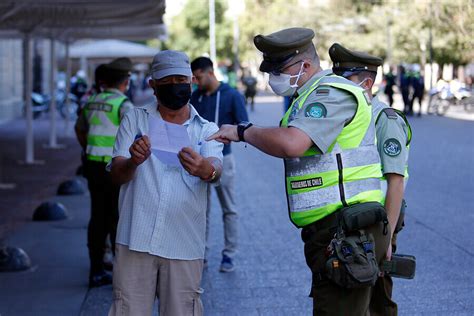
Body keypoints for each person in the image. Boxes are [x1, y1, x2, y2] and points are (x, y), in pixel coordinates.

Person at [208, 27, 390, 315]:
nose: (272, 79)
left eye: (278, 70)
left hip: (349, 230)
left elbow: (293, 143)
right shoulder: (306, 98)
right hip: (333, 230)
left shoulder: (332, 94)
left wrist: (243, 131)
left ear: (304, 65)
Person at [108, 50, 223, 316]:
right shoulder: (135, 120)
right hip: (135, 238)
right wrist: (133, 161)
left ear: (192, 81)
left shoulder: (206, 129)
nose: (175, 87)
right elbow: (116, 174)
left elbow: (217, 171)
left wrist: (204, 169)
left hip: (184, 242)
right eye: (167, 81)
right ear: (153, 85)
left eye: (180, 80)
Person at [330, 43, 412, 316]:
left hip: (378, 224)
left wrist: (386, 240)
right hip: (353, 221)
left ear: (366, 83)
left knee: (378, 302)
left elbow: (395, 181)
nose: (336, 87)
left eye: (344, 80)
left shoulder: (384, 119)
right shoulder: (349, 117)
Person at [74, 57, 134, 288]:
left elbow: (79, 129)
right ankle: (121, 271)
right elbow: (134, 135)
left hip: (92, 165)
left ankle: (96, 270)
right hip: (113, 168)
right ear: (125, 82)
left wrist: (88, 147)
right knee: (117, 217)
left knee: (97, 217)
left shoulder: (92, 101)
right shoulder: (123, 105)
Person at [190, 56, 248, 272]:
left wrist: (230, 134)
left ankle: (229, 255)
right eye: (193, 78)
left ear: (210, 72)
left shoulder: (232, 94)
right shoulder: (195, 97)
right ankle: (200, 254)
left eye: (198, 77)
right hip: (198, 161)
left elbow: (244, 126)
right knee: (200, 209)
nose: (195, 82)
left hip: (226, 158)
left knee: (229, 209)